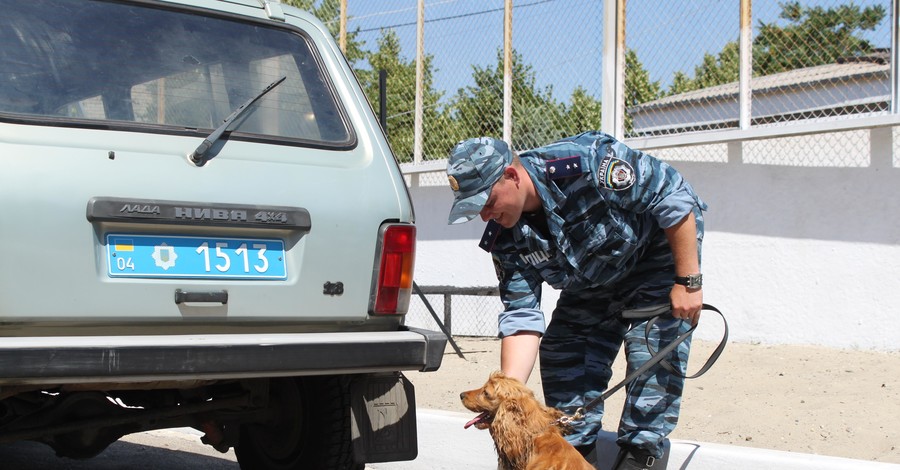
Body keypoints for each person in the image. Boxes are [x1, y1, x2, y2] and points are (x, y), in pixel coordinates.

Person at [445, 131, 706, 469]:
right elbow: (521, 317)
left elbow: (674, 197)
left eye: (487, 201)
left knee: (651, 360)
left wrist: (688, 280)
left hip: (653, 263)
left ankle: (641, 457)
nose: (484, 215)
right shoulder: (506, 239)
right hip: (592, 282)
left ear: (511, 175)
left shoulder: (585, 164)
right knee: (565, 355)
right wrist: (507, 397)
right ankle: (577, 459)